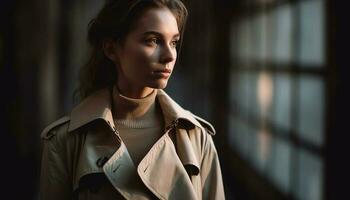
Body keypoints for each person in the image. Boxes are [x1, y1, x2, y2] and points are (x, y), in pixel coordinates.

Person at [39, 0, 225, 199]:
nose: (170, 56)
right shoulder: (66, 141)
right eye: (153, 40)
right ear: (111, 49)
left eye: (173, 42)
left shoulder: (196, 138)